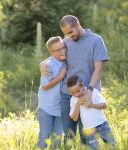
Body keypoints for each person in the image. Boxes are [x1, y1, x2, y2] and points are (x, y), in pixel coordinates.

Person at [59, 15, 109, 145]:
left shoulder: (96, 40)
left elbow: (98, 69)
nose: (69, 36)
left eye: (70, 32)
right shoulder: (66, 42)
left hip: (88, 92)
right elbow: (54, 55)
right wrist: (43, 64)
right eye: (66, 34)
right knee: (68, 135)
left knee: (86, 136)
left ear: (78, 24)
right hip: (67, 94)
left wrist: (90, 90)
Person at [67, 75, 116, 150]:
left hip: (102, 124)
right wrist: (78, 105)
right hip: (89, 129)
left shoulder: (93, 92)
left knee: (112, 145)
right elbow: (74, 118)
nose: (76, 94)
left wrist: (91, 105)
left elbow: (104, 105)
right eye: (73, 93)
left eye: (78, 91)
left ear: (82, 86)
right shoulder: (73, 100)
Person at [37, 36, 66, 149]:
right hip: (46, 107)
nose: (62, 50)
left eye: (63, 47)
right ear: (51, 53)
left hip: (60, 108)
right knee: (44, 135)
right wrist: (61, 76)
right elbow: (45, 86)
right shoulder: (48, 65)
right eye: (59, 50)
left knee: (57, 137)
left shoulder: (66, 61)